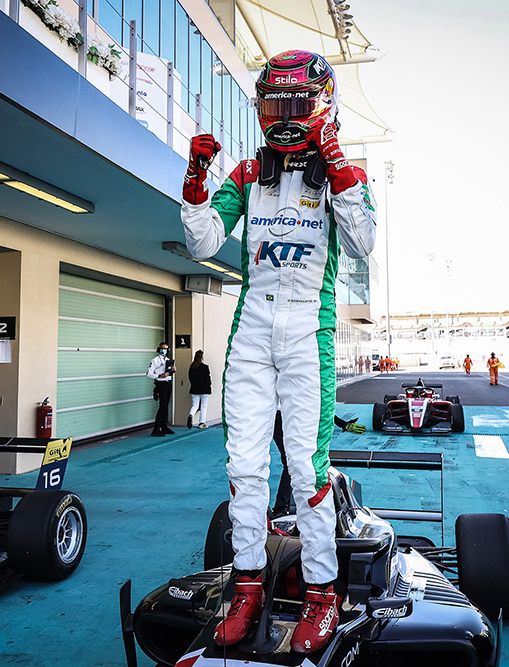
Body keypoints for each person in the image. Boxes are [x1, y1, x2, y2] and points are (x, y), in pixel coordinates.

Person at [180, 49, 377, 652]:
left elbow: (365, 245)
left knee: (307, 470)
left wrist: (337, 159)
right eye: (273, 103)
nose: (283, 116)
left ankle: (322, 593)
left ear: (323, 106)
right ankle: (246, 587)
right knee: (244, 469)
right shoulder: (246, 174)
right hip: (251, 334)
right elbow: (203, 243)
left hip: (306, 335)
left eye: (295, 103)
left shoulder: (343, 173)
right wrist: (194, 183)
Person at [271, 410, 366, 518]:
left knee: (292, 462)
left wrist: (341, 423)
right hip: (283, 416)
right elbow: (320, 404)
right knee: (291, 463)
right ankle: (282, 508)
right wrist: (341, 423)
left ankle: (284, 507)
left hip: (281, 415)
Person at [147, 342, 175, 436]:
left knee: (166, 406)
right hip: (160, 384)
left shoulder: (168, 360)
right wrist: (159, 375)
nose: (164, 350)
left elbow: (168, 372)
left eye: (166, 349)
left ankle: (164, 426)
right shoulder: (155, 360)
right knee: (162, 406)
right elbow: (149, 373)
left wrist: (172, 371)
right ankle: (156, 429)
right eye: (162, 348)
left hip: (167, 383)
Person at [187, 350, 211, 429]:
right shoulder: (205, 367)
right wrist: (209, 384)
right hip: (204, 389)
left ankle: (191, 415)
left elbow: (190, 378)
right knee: (204, 406)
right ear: (201, 357)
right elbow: (207, 379)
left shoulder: (192, 367)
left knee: (195, 405)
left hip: (194, 389)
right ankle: (201, 423)